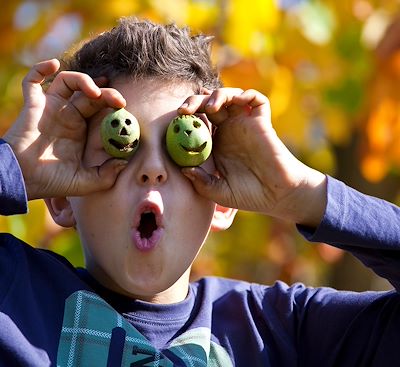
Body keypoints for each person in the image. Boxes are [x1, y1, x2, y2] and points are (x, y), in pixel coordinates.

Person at [1, 17, 400, 367]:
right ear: (59, 197)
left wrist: (303, 192)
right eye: (119, 144)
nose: (154, 169)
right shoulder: (13, 296)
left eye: (183, 149)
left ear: (224, 202)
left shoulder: (281, 331)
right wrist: (15, 168)